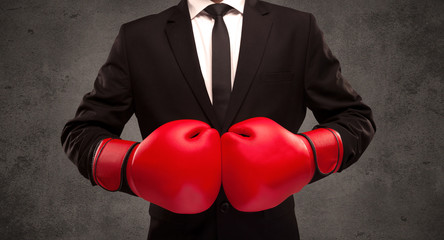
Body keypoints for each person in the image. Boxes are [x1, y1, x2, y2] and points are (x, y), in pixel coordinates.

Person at [61, 0, 376, 239]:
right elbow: (83, 132)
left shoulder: (298, 28)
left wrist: (305, 156)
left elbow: (353, 117)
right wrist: (133, 167)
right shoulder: (137, 37)